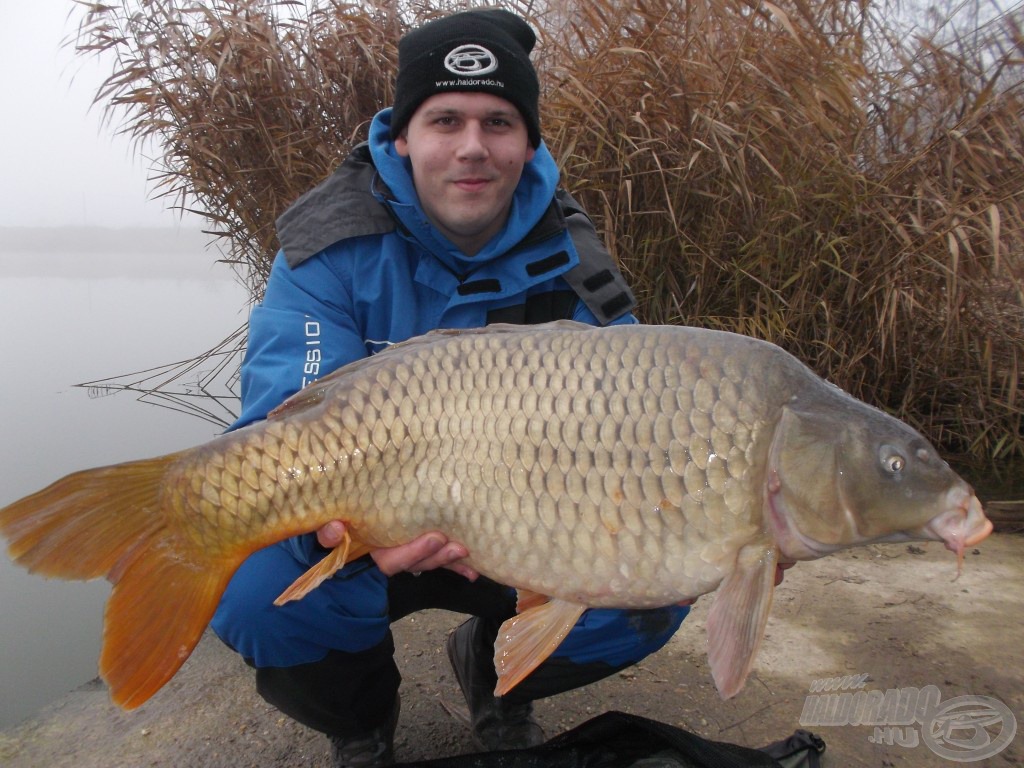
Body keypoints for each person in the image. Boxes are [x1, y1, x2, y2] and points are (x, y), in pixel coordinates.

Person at [210, 9, 689, 767]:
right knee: (252, 591)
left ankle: (499, 681)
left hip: (521, 531)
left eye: (499, 121)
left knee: (661, 585)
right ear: (402, 135)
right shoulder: (326, 251)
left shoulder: (578, 269)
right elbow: (275, 430)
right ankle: (361, 718)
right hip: (368, 524)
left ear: (530, 141)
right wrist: (331, 533)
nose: (472, 146)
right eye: (446, 120)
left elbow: (640, 447)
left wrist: (725, 521)